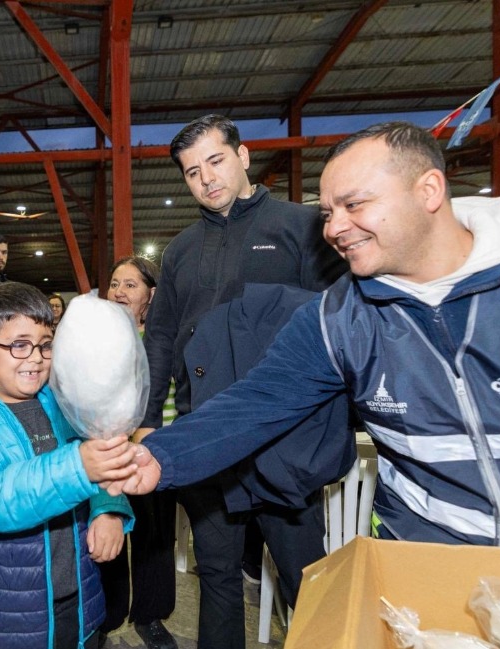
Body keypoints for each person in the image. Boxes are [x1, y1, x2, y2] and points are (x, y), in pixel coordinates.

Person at [116, 121, 500, 555]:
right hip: (421, 555)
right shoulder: (336, 316)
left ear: (429, 191)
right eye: (328, 212)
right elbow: (256, 403)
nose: (334, 228)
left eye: (354, 205)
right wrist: (160, 458)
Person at [135, 115, 346, 649]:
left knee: (306, 577)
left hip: (281, 437)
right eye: (192, 172)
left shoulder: (301, 227)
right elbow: (160, 341)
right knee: (217, 575)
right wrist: (146, 420)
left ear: (243, 156)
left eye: (215, 160)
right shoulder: (180, 251)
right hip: (205, 435)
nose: (206, 178)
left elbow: (335, 327)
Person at [0, 282, 137, 649]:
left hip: (78, 593)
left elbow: (100, 458)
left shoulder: (64, 402)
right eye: (19, 345)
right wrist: (78, 467)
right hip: (7, 612)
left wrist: (108, 508)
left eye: (45, 345)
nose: (36, 357)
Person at [97, 256, 178, 649]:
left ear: (151, 294)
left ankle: (150, 615)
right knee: (109, 529)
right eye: (115, 284)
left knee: (154, 536)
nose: (119, 291)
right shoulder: (97, 338)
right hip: (109, 450)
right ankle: (107, 615)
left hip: (155, 450)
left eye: (130, 284)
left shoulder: (164, 338)